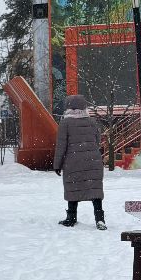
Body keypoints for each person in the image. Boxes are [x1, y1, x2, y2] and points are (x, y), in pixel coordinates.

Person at [54, 93, 106, 229]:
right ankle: (100, 219)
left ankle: (71, 217)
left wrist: (57, 165)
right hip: (93, 161)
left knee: (73, 187)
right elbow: (97, 141)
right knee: (95, 190)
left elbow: (61, 145)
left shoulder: (65, 123)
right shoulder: (92, 122)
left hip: (73, 161)